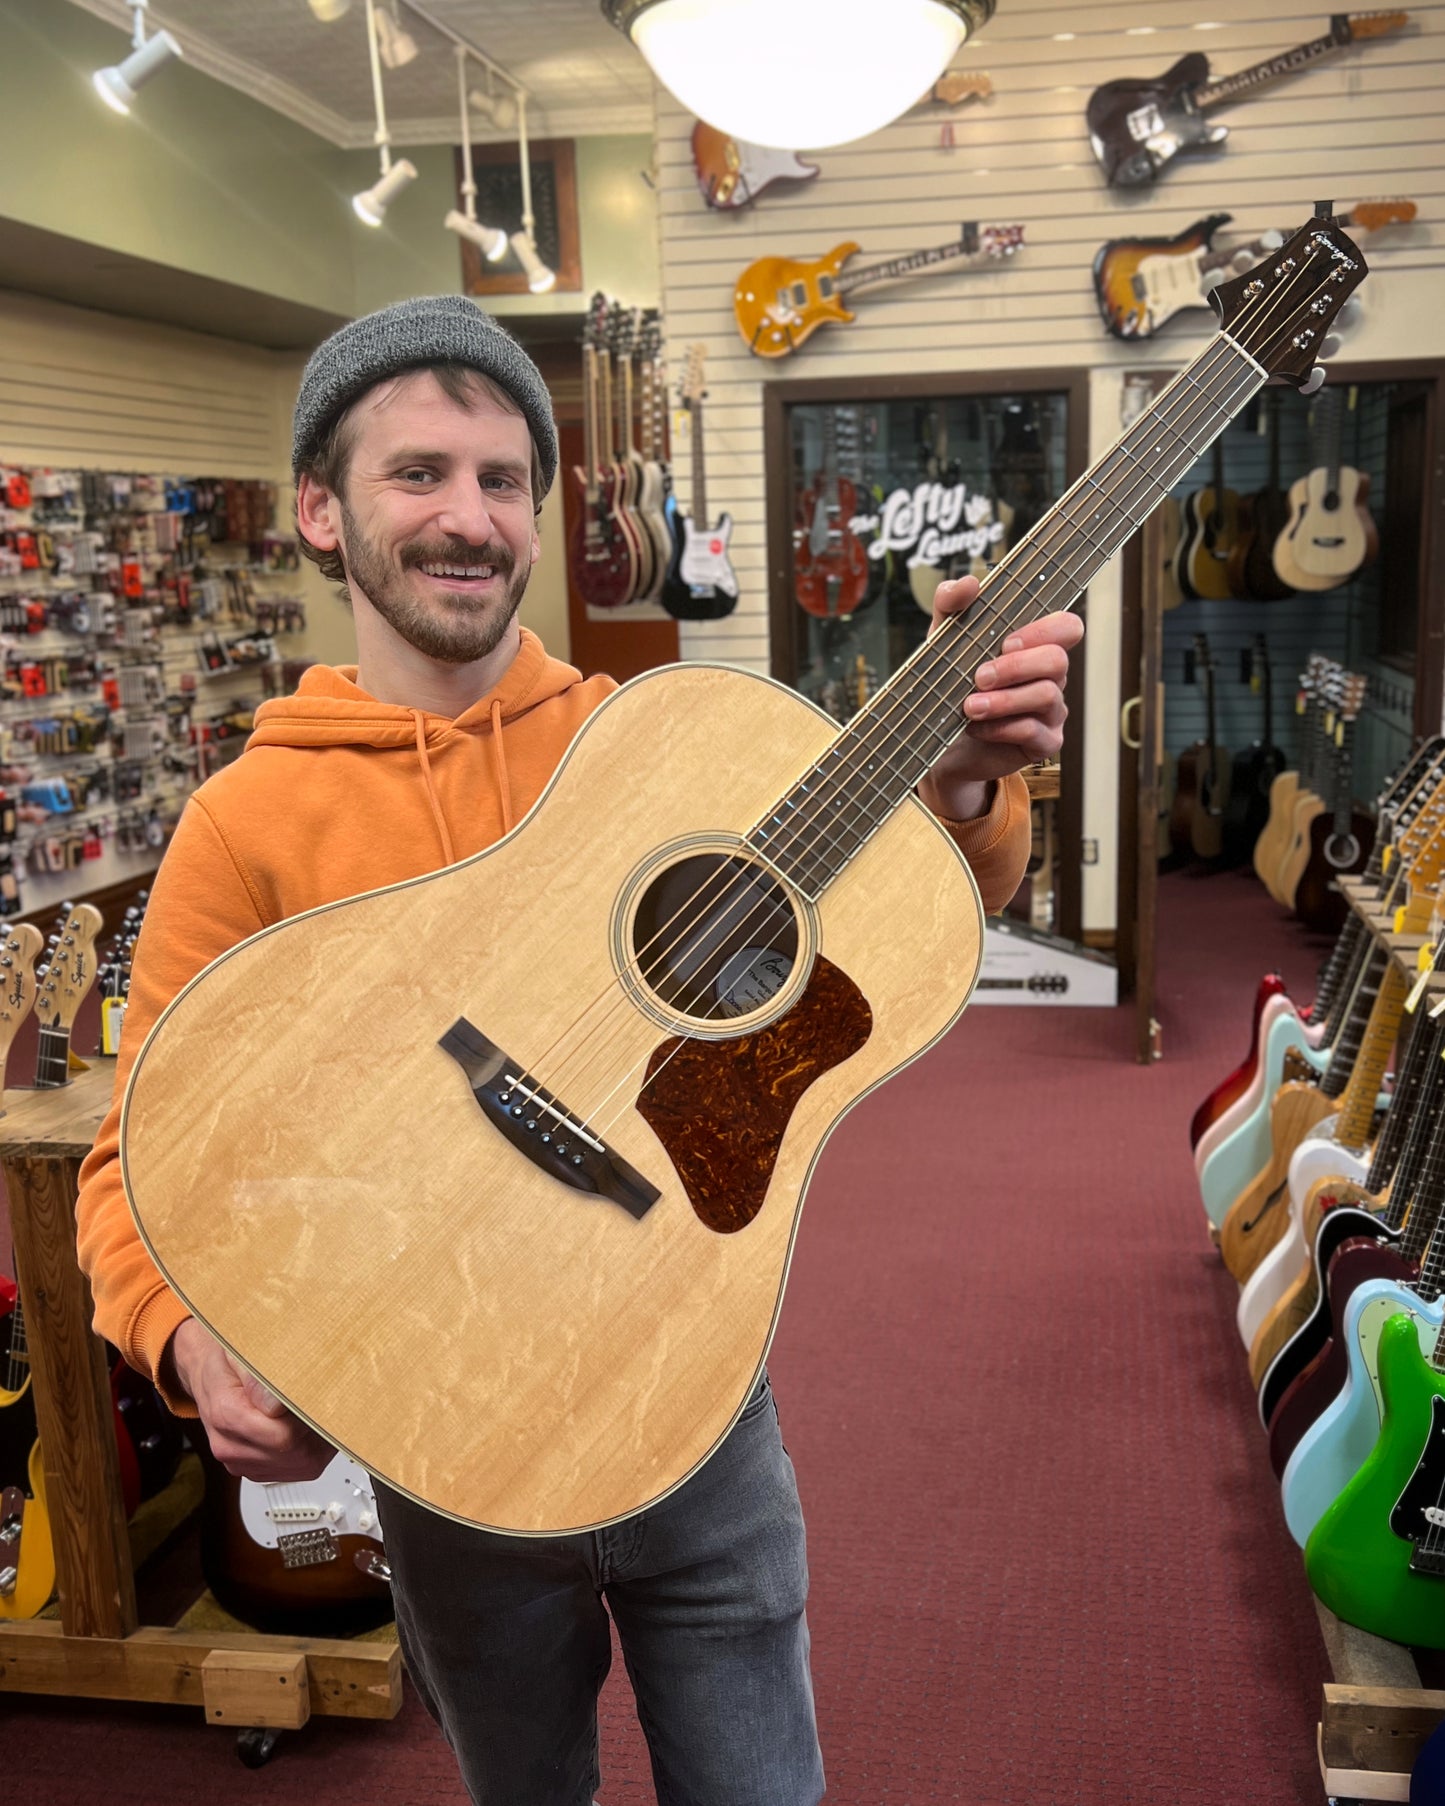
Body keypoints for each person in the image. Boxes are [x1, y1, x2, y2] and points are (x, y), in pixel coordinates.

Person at [75, 296, 1083, 1805]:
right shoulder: (245, 822)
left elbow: (914, 908)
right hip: (446, 1419)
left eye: (500, 482)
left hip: (695, 1375)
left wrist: (961, 784)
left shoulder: (645, 738)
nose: (466, 518)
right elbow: (134, 1149)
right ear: (318, 510)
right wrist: (180, 1332)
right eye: (417, 473)